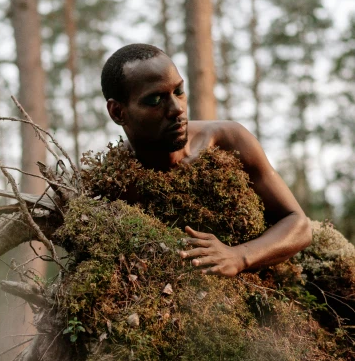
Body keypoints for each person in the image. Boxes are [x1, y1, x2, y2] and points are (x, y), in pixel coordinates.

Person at [101, 43, 312, 277]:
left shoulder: (228, 141)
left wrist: (239, 256)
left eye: (178, 91)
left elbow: (299, 224)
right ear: (118, 112)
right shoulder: (116, 182)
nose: (176, 109)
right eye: (155, 100)